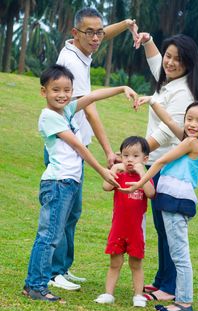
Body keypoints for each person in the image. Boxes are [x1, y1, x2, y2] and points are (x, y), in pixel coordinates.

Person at [23, 64, 137, 302]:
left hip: (68, 183)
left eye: (67, 89)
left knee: (53, 234)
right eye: (56, 90)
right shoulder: (50, 117)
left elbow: (92, 96)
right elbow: (78, 145)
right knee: (49, 236)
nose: (63, 94)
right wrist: (102, 172)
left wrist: (122, 88)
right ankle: (36, 286)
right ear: (44, 92)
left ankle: (34, 284)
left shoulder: (65, 111)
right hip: (58, 183)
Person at [49, 7, 138, 289]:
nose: (97, 38)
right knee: (61, 211)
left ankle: (62, 266)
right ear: (75, 33)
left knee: (73, 211)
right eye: (90, 32)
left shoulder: (82, 48)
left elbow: (100, 34)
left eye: (99, 31)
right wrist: (110, 151)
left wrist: (124, 24)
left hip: (76, 145)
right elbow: (89, 110)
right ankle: (54, 273)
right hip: (66, 146)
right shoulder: (70, 62)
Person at [120, 99, 198, 311]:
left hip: (176, 201)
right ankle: (182, 300)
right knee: (177, 253)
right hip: (174, 201)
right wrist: (153, 102)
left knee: (180, 255)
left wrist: (140, 181)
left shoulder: (191, 143)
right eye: (189, 119)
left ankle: (183, 303)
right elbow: (170, 121)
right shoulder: (191, 141)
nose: (192, 124)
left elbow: (160, 161)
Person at [132, 31, 198, 301]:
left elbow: (166, 133)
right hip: (155, 162)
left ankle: (170, 287)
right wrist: (149, 40)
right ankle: (162, 280)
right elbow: (157, 64)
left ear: (189, 63)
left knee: (167, 230)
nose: (170, 62)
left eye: (177, 59)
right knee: (161, 228)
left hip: (164, 165)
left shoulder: (184, 91)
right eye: (169, 56)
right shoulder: (168, 82)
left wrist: (135, 155)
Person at [94, 136, 155, 307]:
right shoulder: (119, 174)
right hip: (118, 228)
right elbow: (106, 187)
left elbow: (150, 193)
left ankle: (138, 295)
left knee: (136, 263)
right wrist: (114, 168)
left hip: (136, 230)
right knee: (115, 262)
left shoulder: (144, 176)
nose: (130, 160)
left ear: (145, 159)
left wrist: (142, 173)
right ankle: (108, 294)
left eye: (135, 156)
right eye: (126, 155)